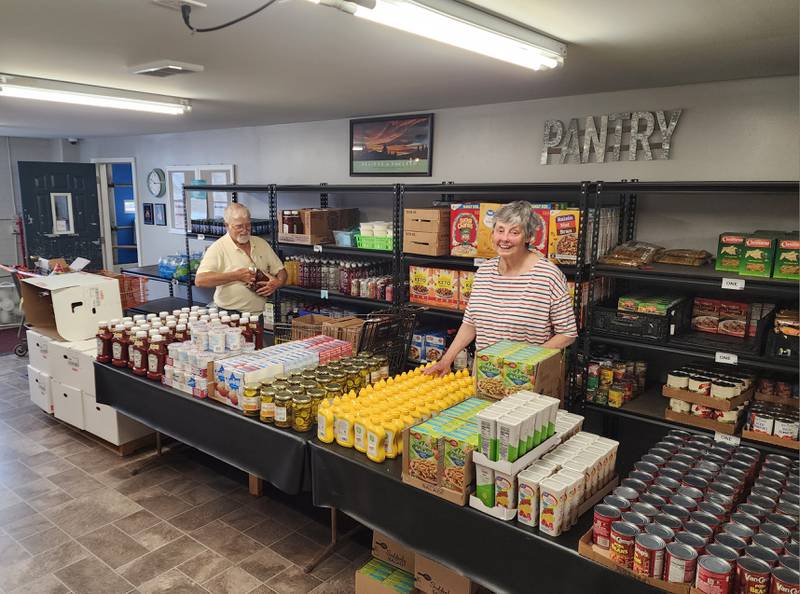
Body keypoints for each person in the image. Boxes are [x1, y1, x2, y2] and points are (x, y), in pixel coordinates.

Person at [425, 201, 578, 376]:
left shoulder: (548, 275)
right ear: (492, 234)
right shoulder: (484, 272)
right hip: (484, 374)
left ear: (528, 237)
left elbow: (567, 334)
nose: (504, 238)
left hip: (525, 376)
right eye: (500, 230)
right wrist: (446, 360)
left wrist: (526, 361)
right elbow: (470, 323)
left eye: (514, 232)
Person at [194, 202, 287, 312]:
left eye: (248, 225)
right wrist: (237, 276)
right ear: (227, 226)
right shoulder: (217, 248)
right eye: (239, 226)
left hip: (260, 314)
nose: (244, 230)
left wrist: (278, 283)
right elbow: (200, 280)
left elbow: (281, 271)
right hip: (229, 315)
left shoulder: (261, 243)